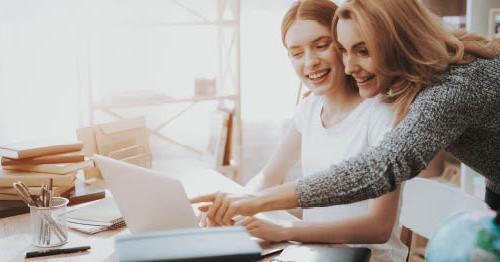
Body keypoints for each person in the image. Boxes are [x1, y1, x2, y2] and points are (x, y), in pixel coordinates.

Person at [191, 0, 500, 225]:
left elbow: (380, 168)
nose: (350, 67)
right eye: (345, 49)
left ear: (399, 41)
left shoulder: (453, 87)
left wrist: (258, 202)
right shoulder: (433, 67)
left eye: (363, 50)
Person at [201, 1, 412, 260]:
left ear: (343, 45)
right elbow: (268, 177)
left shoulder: (381, 115)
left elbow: (378, 227)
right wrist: (228, 207)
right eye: (297, 52)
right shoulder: (310, 109)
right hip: (313, 253)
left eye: (321, 46)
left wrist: (285, 229)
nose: (310, 62)